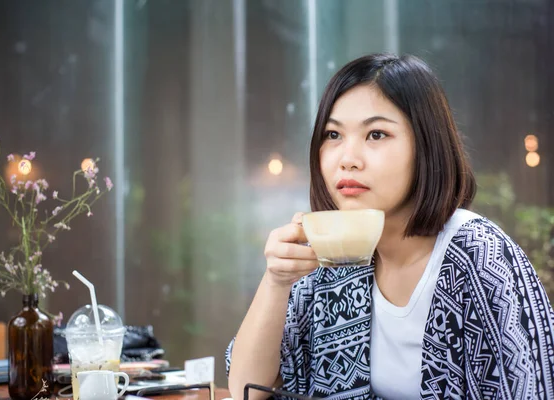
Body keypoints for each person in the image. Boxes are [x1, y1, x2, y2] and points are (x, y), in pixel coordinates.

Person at [225, 53, 554, 400]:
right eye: (333, 134)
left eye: (377, 134)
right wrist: (276, 280)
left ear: (426, 146)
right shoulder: (337, 253)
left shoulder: (478, 256)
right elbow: (246, 388)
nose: (348, 159)